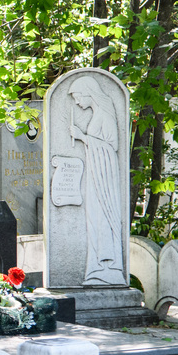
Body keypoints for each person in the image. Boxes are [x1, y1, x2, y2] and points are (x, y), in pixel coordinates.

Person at [68, 77, 126, 286]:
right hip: (96, 174)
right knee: (94, 217)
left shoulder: (105, 114)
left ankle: (108, 267)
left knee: (102, 217)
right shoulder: (98, 114)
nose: (76, 102)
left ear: (88, 93)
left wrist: (82, 137)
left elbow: (111, 147)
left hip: (105, 178)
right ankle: (96, 267)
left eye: (77, 97)